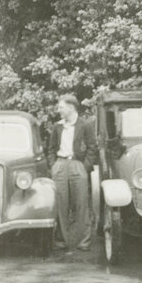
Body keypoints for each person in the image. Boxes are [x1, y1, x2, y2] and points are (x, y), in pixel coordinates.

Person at [47, 94, 97, 251]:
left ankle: (84, 241)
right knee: (60, 203)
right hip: (60, 165)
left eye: (61, 107)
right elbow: (50, 149)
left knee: (81, 203)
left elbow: (92, 148)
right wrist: (54, 165)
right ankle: (61, 241)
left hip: (77, 164)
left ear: (71, 107)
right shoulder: (57, 127)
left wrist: (85, 166)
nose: (58, 110)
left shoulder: (85, 125)